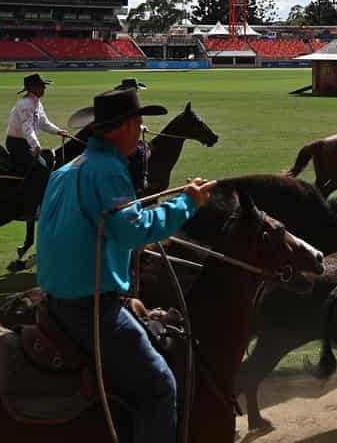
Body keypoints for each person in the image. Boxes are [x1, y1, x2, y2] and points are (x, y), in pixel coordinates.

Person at [37, 87, 209, 443]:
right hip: (91, 307)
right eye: (140, 122)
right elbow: (134, 232)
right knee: (160, 386)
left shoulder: (68, 168)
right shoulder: (109, 170)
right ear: (126, 126)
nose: (144, 129)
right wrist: (186, 203)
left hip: (55, 298)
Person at [5, 73, 69, 173]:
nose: (44, 88)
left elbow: (43, 123)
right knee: (42, 170)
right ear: (32, 88)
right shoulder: (25, 104)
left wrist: (59, 131)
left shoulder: (36, 102)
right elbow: (27, 127)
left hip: (26, 143)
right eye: (41, 86)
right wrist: (35, 145)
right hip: (18, 144)